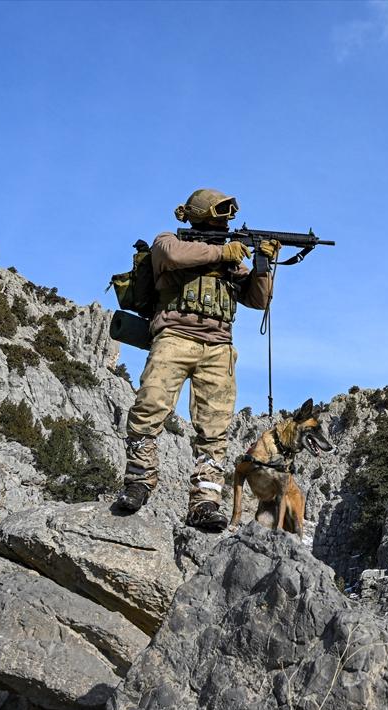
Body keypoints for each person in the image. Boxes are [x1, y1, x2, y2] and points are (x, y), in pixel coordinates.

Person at [114, 189, 279, 532]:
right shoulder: (168, 242)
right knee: (149, 407)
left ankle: (205, 501)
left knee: (215, 429)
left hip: (218, 347)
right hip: (174, 337)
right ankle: (139, 482)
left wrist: (263, 264)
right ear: (199, 215)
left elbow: (258, 300)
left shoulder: (230, 260)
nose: (225, 222)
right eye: (219, 215)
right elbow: (172, 256)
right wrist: (223, 251)